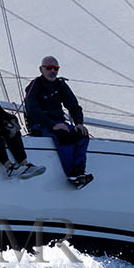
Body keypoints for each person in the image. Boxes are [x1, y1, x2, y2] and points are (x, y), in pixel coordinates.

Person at [24, 55, 92, 188]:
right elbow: (33, 110)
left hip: (59, 124)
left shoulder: (60, 85)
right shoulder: (35, 86)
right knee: (63, 136)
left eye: (56, 68)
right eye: (48, 67)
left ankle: (79, 172)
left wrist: (79, 123)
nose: (52, 71)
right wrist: (53, 125)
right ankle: (71, 174)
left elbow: (73, 106)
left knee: (82, 135)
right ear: (41, 69)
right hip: (42, 125)